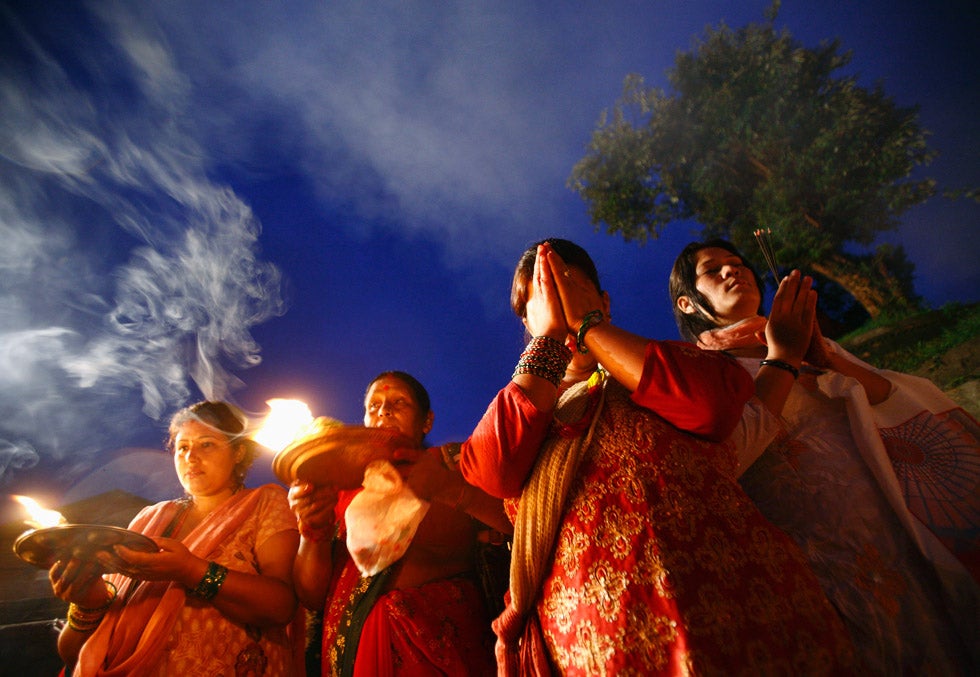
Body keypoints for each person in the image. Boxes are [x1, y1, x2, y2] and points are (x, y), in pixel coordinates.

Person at [459, 238, 857, 675]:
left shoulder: (679, 362)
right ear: (529, 321)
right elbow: (490, 470)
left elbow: (715, 409)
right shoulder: (527, 412)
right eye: (545, 292)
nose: (559, 298)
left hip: (755, 616)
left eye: (569, 283)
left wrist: (587, 325)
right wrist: (551, 341)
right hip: (603, 652)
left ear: (605, 302)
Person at [669, 238, 980, 674]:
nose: (731, 271)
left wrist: (825, 357)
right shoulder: (696, 369)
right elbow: (723, 460)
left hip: (904, 519)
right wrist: (783, 359)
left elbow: (896, 398)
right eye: (712, 269)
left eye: (738, 263)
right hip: (827, 559)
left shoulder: (812, 342)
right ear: (687, 302)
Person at [47, 400, 302, 676]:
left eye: (206, 444)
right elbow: (73, 652)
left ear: (238, 452)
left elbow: (280, 606)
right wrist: (87, 604)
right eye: (182, 447)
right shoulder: (150, 520)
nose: (191, 458)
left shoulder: (264, 502)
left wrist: (191, 570)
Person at [289, 370, 510, 676]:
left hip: (439, 655)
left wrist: (448, 489)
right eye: (373, 406)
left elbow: (516, 522)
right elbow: (312, 596)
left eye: (398, 402)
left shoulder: (453, 465)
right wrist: (311, 529)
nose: (384, 411)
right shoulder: (340, 492)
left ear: (427, 421)